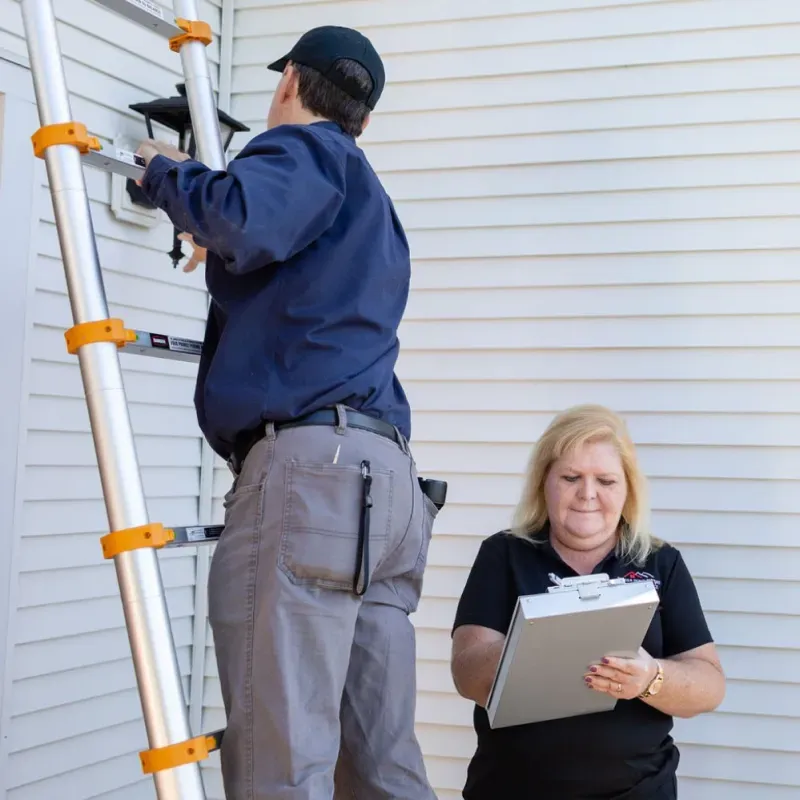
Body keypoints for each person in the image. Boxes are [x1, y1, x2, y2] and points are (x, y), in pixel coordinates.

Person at [135, 26, 438, 800]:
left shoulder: (304, 151)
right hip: (389, 487)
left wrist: (172, 177)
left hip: (315, 482)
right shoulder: (372, 206)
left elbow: (242, 218)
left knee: (282, 759)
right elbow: (265, 248)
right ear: (364, 115)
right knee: (380, 762)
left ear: (290, 82)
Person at [450, 404, 726, 800]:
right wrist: (533, 646)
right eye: (571, 477)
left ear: (628, 488)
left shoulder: (660, 562)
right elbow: (467, 675)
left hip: (639, 790)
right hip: (512, 788)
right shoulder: (504, 554)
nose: (588, 494)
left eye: (606, 480)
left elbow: (709, 685)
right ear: (544, 482)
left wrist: (650, 679)